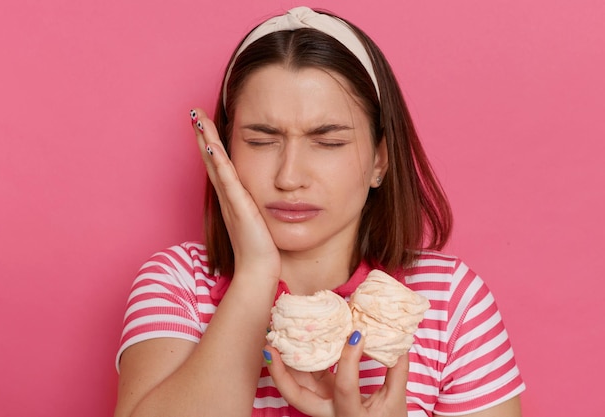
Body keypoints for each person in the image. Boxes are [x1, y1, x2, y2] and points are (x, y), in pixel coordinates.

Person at [113, 6, 525, 417]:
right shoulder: (179, 284)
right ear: (226, 151)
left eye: (328, 142)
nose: (290, 177)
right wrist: (256, 274)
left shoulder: (450, 302)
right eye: (261, 141)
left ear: (380, 160)